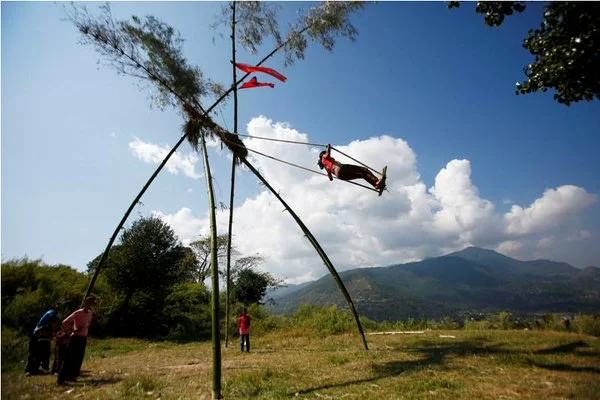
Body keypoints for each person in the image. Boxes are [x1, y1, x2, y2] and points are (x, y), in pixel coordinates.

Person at [57, 295, 95, 385]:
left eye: (91, 304)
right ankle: (61, 379)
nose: (89, 305)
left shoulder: (90, 314)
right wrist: (71, 330)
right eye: (88, 303)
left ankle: (72, 376)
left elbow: (88, 324)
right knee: (69, 358)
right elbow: (64, 322)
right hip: (75, 337)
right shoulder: (78, 313)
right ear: (85, 303)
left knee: (78, 358)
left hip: (83, 338)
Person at [317, 144, 383, 190]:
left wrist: (330, 175)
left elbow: (331, 179)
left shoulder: (326, 167)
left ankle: (376, 185)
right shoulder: (324, 157)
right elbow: (327, 154)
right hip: (341, 169)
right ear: (323, 154)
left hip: (341, 176)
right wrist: (328, 147)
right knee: (364, 170)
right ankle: (376, 182)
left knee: (362, 175)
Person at [25, 303, 60, 376]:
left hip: (40, 334)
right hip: (38, 334)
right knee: (34, 353)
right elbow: (48, 324)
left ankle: (35, 369)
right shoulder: (51, 313)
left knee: (39, 353)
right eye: (56, 306)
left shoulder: (51, 313)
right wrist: (49, 333)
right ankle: (29, 370)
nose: (58, 307)